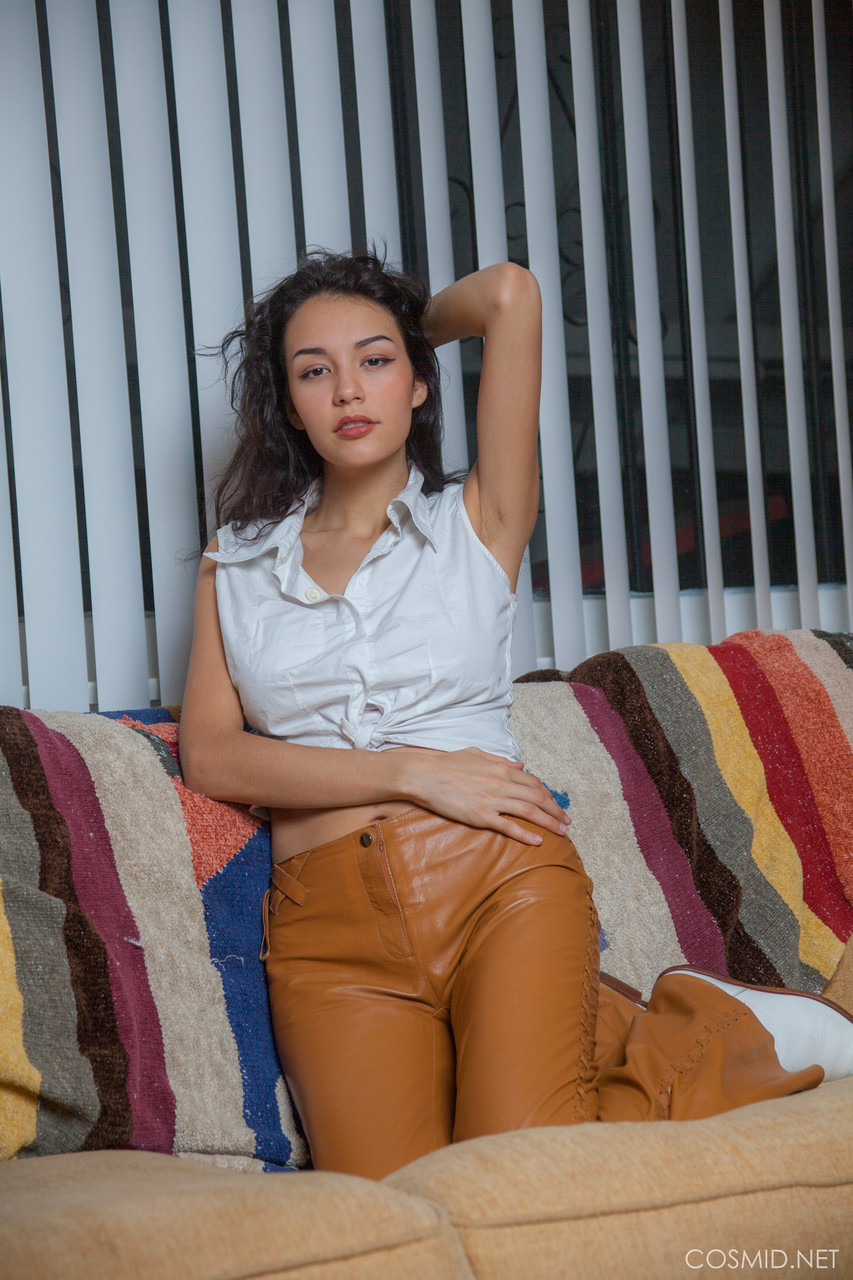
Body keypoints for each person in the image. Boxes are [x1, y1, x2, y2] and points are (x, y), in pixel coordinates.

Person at [180, 249, 853, 1180]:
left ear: (419, 383)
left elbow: (508, 294)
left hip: (499, 881)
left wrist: (408, 329)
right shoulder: (239, 560)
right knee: (399, 1206)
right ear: (289, 403)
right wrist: (411, 770)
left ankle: (716, 1031)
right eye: (313, 371)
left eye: (375, 361)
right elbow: (212, 756)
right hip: (326, 934)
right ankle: (676, 1026)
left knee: (518, 1175)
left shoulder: (478, 520)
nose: (348, 390)